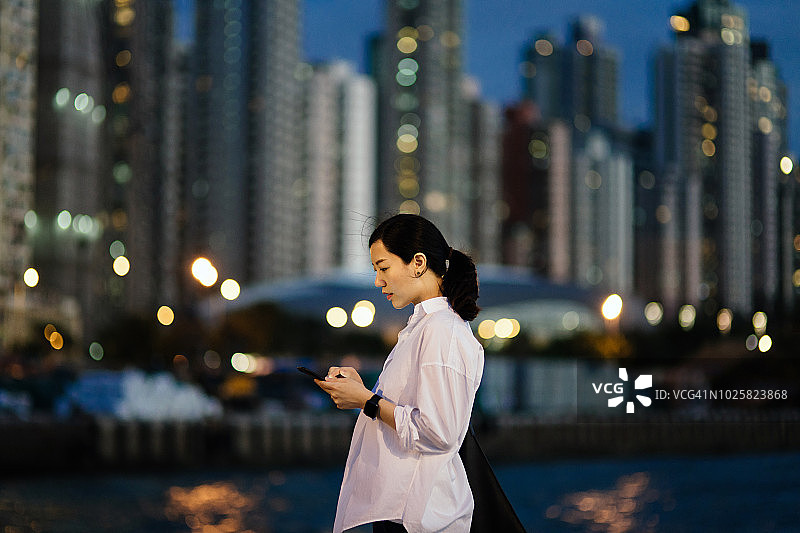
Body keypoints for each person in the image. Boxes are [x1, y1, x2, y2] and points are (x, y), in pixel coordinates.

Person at [316, 213, 484, 533]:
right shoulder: (423, 328)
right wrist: (361, 391)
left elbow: (439, 432)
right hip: (403, 512)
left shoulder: (441, 330)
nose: (378, 281)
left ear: (417, 263)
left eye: (383, 268)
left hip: (422, 518)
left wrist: (368, 401)